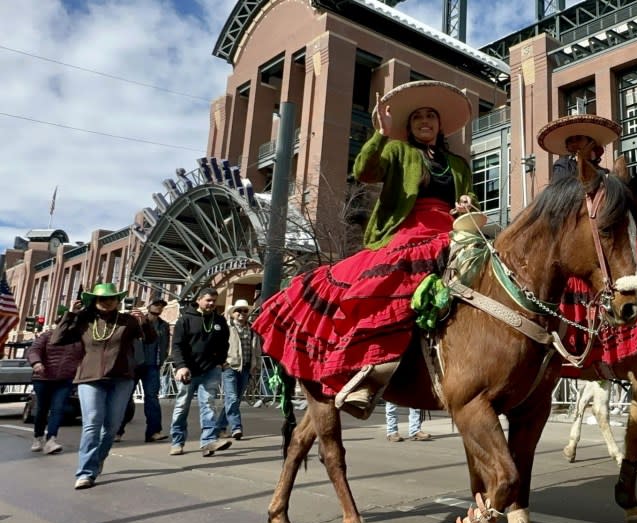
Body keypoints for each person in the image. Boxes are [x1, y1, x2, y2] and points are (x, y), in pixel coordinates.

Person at [253, 80, 477, 420]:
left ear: (440, 123)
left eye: (431, 115)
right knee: (390, 288)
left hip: (451, 231)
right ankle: (368, 373)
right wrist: (381, 135)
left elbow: (469, 199)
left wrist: (466, 203)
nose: (425, 121)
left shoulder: (458, 164)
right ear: (410, 125)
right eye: (418, 117)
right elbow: (365, 171)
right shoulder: (397, 150)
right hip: (408, 232)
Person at [52, 282, 155, 490]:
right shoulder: (84, 321)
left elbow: (151, 340)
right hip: (90, 378)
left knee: (111, 428)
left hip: (121, 379)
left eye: (111, 298)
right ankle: (85, 472)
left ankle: (98, 458)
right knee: (92, 423)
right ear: (94, 301)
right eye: (102, 299)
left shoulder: (128, 321)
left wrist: (145, 323)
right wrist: (70, 315)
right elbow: (57, 340)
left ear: (118, 301)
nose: (107, 302)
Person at [169, 288, 231, 457]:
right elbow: (177, 345)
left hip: (210, 370)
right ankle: (177, 441)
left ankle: (208, 442)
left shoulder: (219, 321)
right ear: (199, 300)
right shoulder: (185, 320)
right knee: (182, 406)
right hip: (188, 371)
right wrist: (181, 366)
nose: (211, 304)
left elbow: (224, 344)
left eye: (213, 301)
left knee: (209, 404)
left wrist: (219, 362)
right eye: (208, 300)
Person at [116, 299, 170, 442]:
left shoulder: (163, 325)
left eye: (162, 306)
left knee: (152, 398)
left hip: (153, 365)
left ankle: (154, 432)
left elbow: (164, 344)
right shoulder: (135, 320)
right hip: (134, 365)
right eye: (156, 305)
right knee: (125, 398)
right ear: (149, 306)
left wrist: (162, 360)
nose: (159, 308)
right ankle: (117, 431)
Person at [26, 325, 83, 454]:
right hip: (43, 378)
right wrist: (36, 363)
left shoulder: (78, 340)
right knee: (42, 408)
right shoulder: (47, 336)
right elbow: (33, 350)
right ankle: (38, 437)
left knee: (58, 408)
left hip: (65, 379)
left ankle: (51, 440)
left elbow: (84, 357)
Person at [215, 299, 261, 440]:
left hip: (246, 368)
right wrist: (222, 362)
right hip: (230, 367)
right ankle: (236, 428)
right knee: (233, 398)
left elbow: (257, 350)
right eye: (238, 311)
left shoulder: (253, 329)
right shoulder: (227, 328)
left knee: (234, 400)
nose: (242, 313)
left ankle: (219, 428)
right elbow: (219, 346)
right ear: (232, 313)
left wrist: (256, 365)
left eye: (245, 311)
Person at [545, 114, 621, 184]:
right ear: (567, 147)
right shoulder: (563, 165)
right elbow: (561, 193)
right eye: (570, 140)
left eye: (578, 138)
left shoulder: (605, 173)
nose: (574, 143)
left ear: (591, 143)